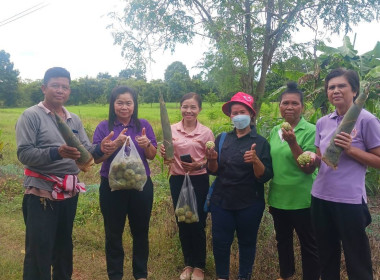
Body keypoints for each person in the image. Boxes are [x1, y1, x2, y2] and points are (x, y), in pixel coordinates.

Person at [15, 67, 107, 280]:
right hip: (41, 193)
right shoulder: (31, 116)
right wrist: (57, 152)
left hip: (68, 192)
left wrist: (104, 148)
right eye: (55, 85)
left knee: (64, 245)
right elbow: (24, 153)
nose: (60, 90)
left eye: (65, 87)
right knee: (39, 249)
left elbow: (86, 149)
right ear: (44, 88)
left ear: (69, 91)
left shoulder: (73, 119)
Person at [307, 68, 380, 280]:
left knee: (357, 260)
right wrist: (313, 158)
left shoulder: (366, 120)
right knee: (326, 257)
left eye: (341, 86)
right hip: (320, 197)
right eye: (331, 87)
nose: (335, 90)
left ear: (354, 90)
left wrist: (351, 150)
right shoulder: (323, 122)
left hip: (349, 201)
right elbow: (322, 161)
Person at [205, 92, 273, 280]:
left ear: (251, 114)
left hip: (250, 203)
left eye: (242, 111)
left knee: (247, 242)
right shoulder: (222, 139)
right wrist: (211, 160)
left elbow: (264, 176)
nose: (237, 116)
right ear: (230, 116)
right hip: (222, 201)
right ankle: (222, 276)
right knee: (220, 242)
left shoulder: (260, 143)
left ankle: (244, 276)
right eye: (234, 113)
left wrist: (256, 161)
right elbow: (214, 170)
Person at [93, 86, 157, 280]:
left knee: (140, 231)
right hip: (112, 187)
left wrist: (147, 145)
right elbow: (97, 159)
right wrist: (115, 145)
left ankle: (141, 274)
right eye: (120, 102)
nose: (124, 107)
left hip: (140, 186)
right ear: (113, 105)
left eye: (128, 103)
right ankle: (115, 275)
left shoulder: (142, 125)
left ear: (134, 105)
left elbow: (152, 156)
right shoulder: (104, 127)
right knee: (113, 233)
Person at [268, 82, 320, 280]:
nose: (289, 107)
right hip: (278, 198)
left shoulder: (311, 130)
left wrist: (293, 143)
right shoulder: (275, 131)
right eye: (285, 103)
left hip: (303, 199)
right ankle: (286, 275)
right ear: (280, 106)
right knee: (283, 241)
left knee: (309, 244)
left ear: (303, 107)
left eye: (295, 103)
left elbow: (307, 169)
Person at [160, 92, 214, 280]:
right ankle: (188, 263)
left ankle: (199, 266)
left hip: (199, 180)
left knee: (198, 223)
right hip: (177, 179)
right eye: (185, 106)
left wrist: (199, 165)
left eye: (193, 107)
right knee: (183, 221)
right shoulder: (171, 129)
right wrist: (164, 152)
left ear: (199, 109)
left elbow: (213, 162)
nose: (188, 110)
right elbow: (167, 156)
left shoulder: (206, 132)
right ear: (180, 107)